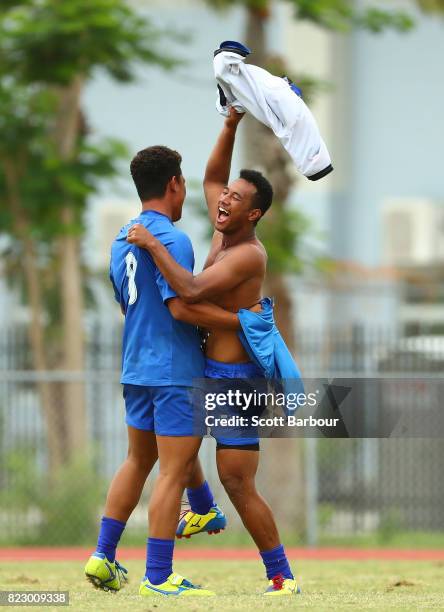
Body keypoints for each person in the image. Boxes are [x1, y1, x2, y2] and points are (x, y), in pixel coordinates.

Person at [127, 108, 301, 597]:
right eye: (226, 195)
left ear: (255, 214)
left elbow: (191, 290)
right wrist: (230, 124)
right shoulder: (225, 231)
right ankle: (196, 516)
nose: (223, 200)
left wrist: (151, 244)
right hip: (204, 370)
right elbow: (211, 175)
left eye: (237, 199)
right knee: (176, 454)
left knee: (239, 483)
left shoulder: (248, 254)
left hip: (235, 380)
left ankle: (282, 575)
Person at [85, 145, 245, 598]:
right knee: (172, 470)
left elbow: (126, 303)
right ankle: (158, 576)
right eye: (185, 183)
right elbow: (180, 306)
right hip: (174, 371)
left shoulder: (122, 238)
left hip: (135, 366)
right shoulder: (173, 240)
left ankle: (103, 555)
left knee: (139, 459)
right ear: (174, 184)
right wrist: (235, 324)